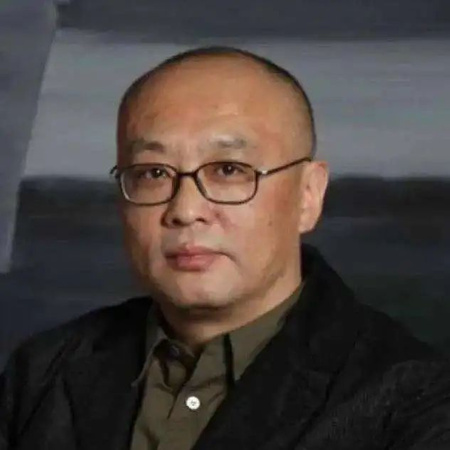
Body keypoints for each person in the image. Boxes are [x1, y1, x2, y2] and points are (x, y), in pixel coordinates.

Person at [1, 46, 450, 450]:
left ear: (308, 196)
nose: (185, 210)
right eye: (153, 173)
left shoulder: (416, 400)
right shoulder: (41, 373)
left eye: (229, 170)